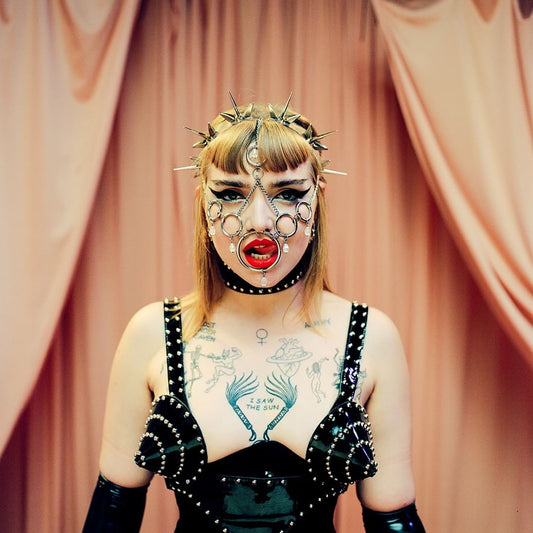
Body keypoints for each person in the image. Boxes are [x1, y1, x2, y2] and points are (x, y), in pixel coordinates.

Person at [84, 94, 426, 532]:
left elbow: (393, 521)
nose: (259, 219)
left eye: (287, 193)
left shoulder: (371, 337)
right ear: (202, 205)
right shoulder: (152, 334)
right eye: (230, 193)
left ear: (316, 202)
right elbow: (110, 519)